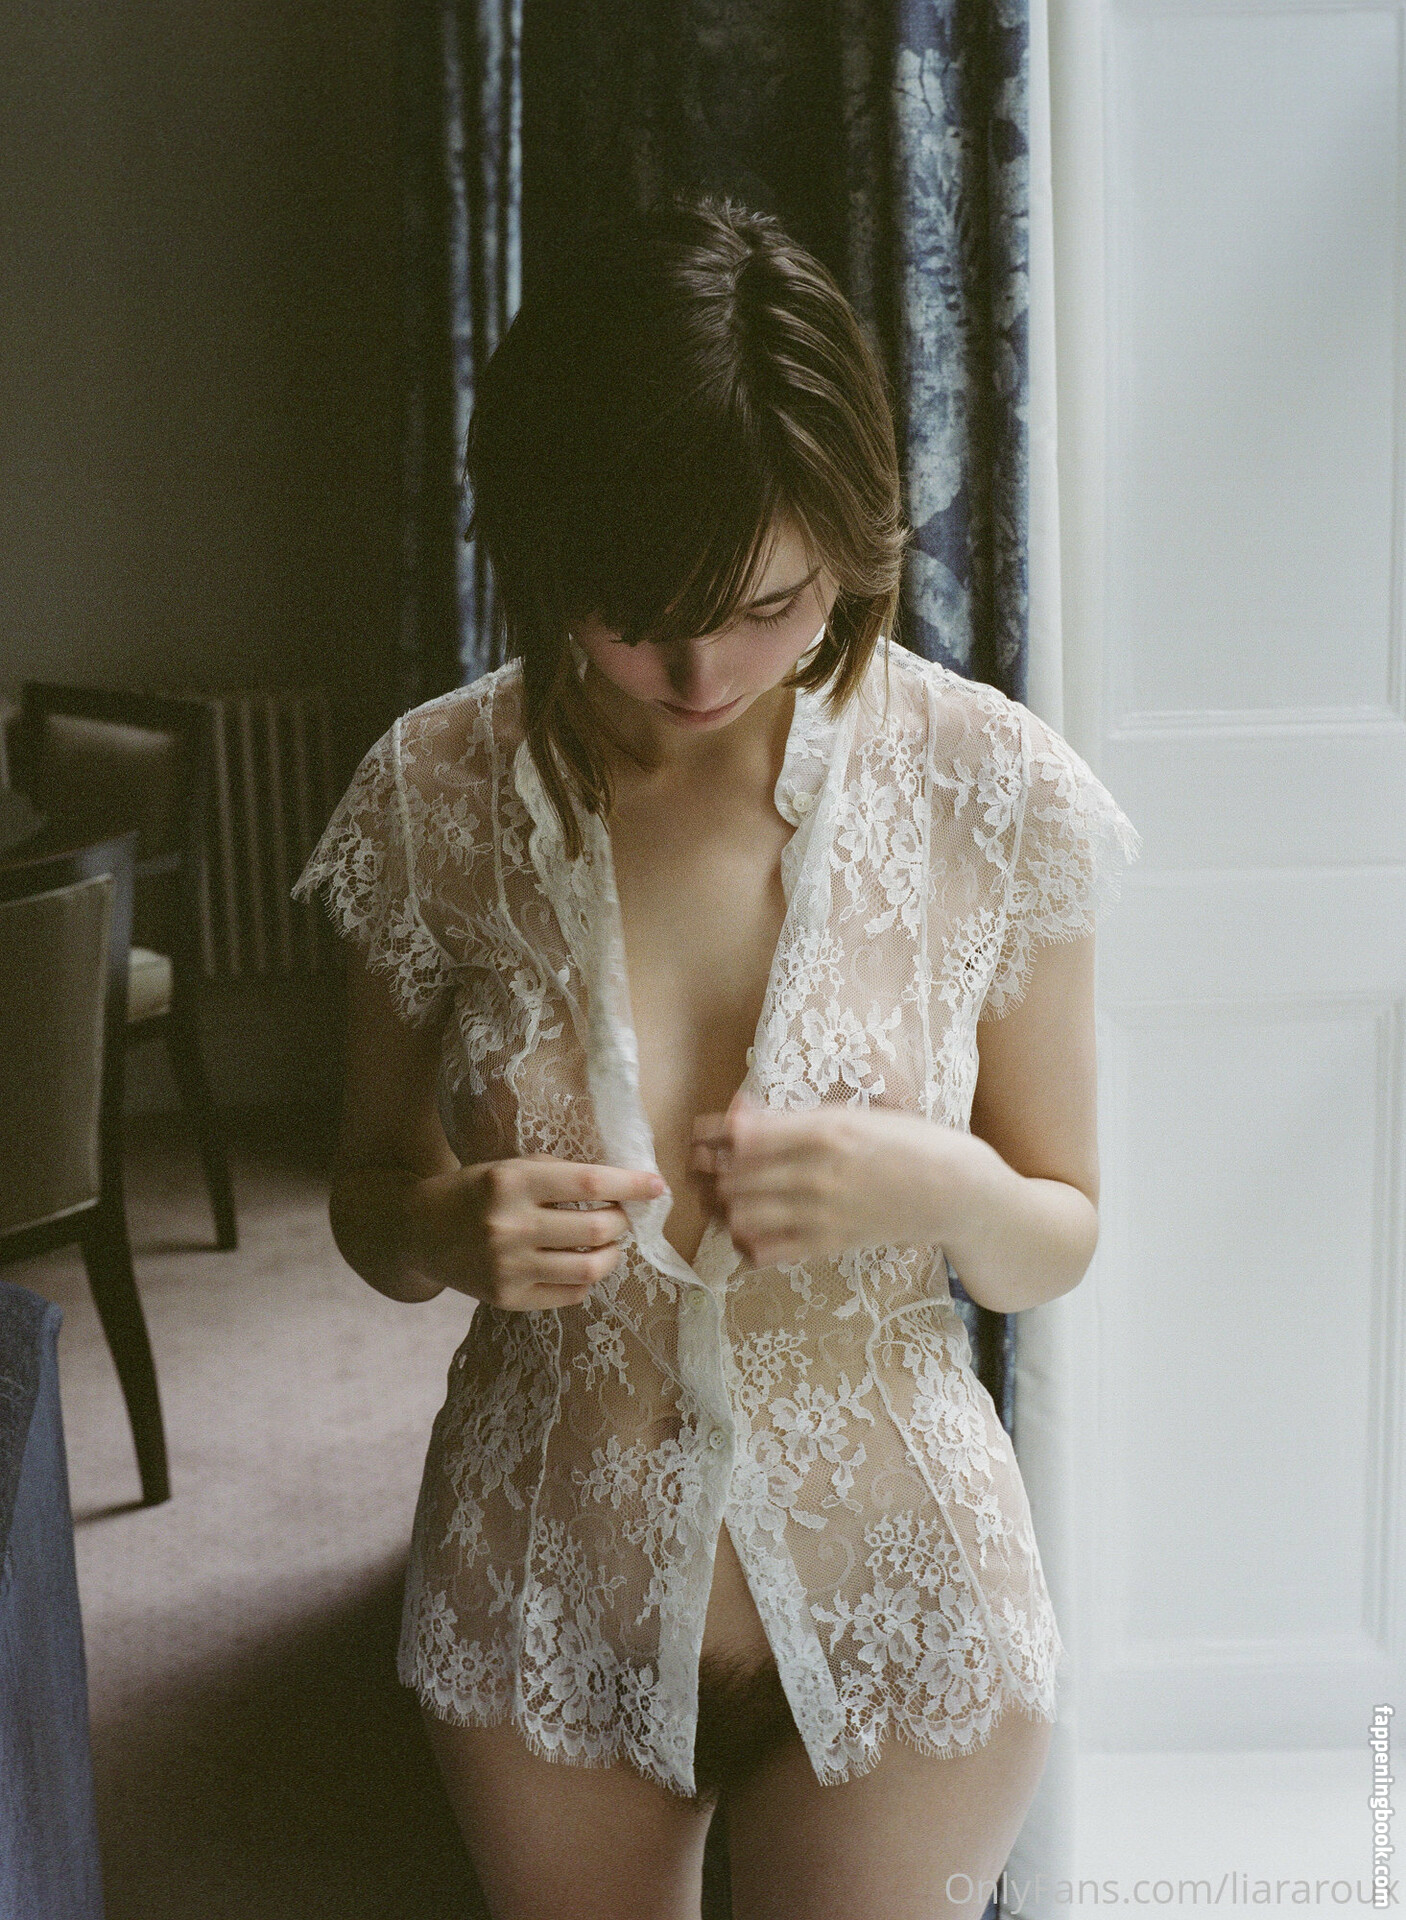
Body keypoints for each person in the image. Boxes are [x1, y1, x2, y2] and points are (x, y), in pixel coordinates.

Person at [293, 193, 1141, 1920]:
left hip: (907, 1599)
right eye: (631, 612)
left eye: (768, 604)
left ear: (850, 541)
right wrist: (442, 1226)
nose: (697, 670)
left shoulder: (991, 789)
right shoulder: (428, 794)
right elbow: (369, 1196)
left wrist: (942, 1184)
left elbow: (1057, 1234)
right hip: (543, 1591)